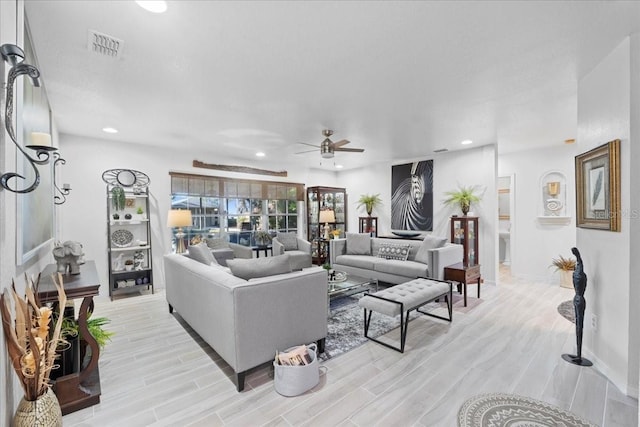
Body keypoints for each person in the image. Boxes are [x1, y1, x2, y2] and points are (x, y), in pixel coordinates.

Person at [571, 246, 587, 361]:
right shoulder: (579, 276)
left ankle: (579, 354)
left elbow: (580, 263)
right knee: (578, 322)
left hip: (579, 299)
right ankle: (578, 353)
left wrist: (578, 256)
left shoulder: (579, 275)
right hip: (577, 298)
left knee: (579, 323)